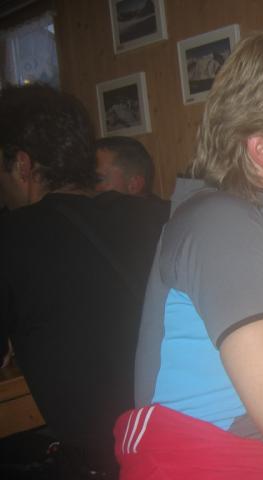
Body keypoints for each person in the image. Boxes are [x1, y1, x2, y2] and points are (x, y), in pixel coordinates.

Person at [0, 83, 169, 478]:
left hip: (110, 465)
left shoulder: (11, 237)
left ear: (22, 165)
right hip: (191, 446)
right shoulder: (156, 214)